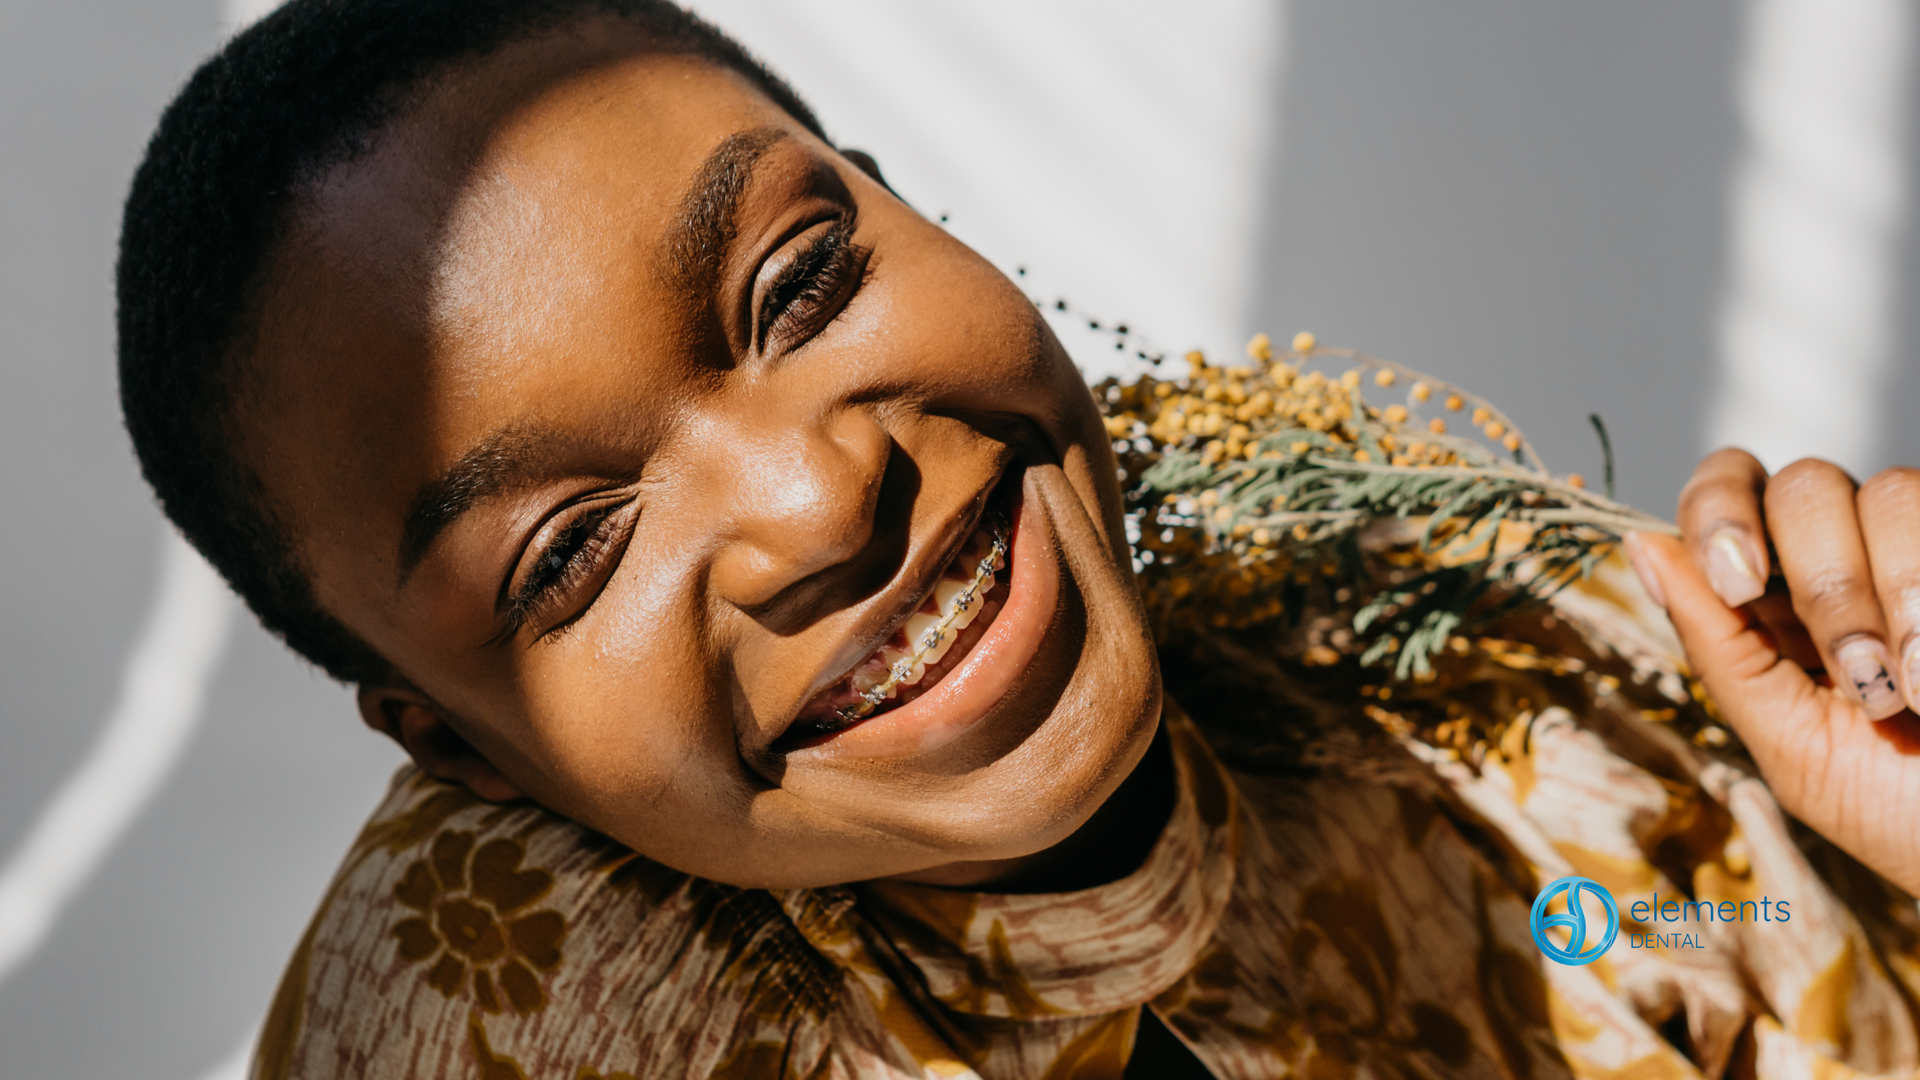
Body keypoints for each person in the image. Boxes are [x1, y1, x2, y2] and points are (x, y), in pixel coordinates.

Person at [114, 1, 1920, 1076]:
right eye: (572, 551)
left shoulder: (1503, 710)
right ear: (454, 746)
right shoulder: (497, 1016)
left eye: (804, 282)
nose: (822, 504)